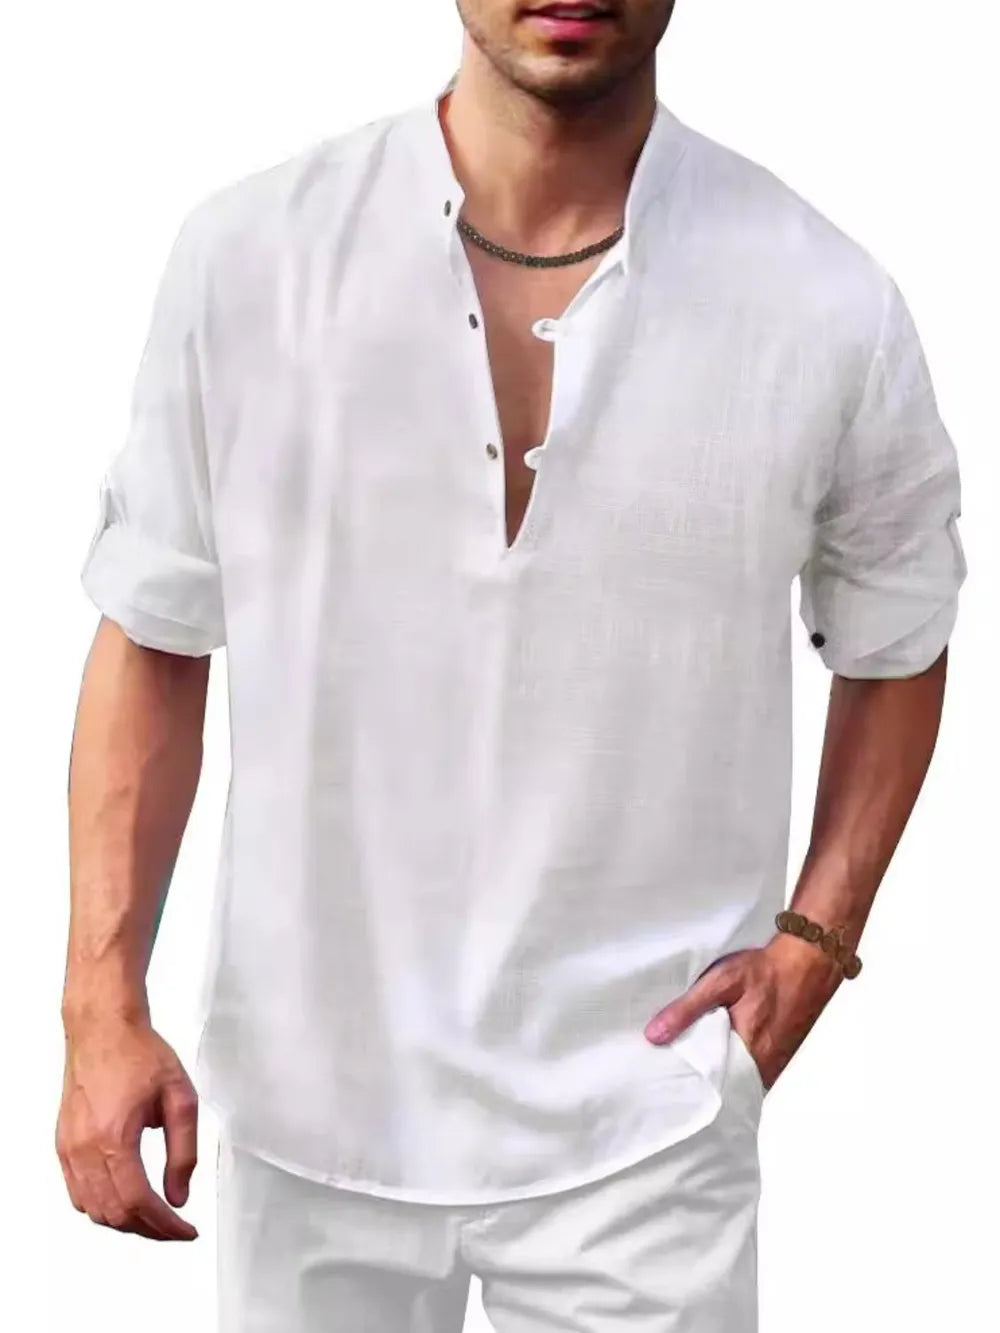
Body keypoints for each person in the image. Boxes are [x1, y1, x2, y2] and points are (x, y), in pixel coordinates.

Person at [58, 2, 967, 1329]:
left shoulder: (822, 299)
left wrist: (818, 942)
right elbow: (155, 630)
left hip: (646, 1115)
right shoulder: (251, 258)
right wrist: (99, 1004)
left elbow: (901, 630)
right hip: (311, 1107)